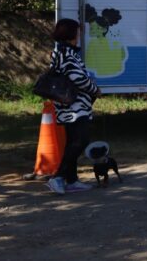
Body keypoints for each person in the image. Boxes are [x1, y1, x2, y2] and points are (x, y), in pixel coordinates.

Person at [46, 18, 102, 195]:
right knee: (80, 140)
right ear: (70, 34)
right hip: (75, 107)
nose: (79, 36)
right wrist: (95, 89)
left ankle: (71, 180)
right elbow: (78, 77)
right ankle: (58, 177)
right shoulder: (67, 53)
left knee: (72, 142)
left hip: (70, 105)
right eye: (77, 32)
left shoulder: (61, 51)